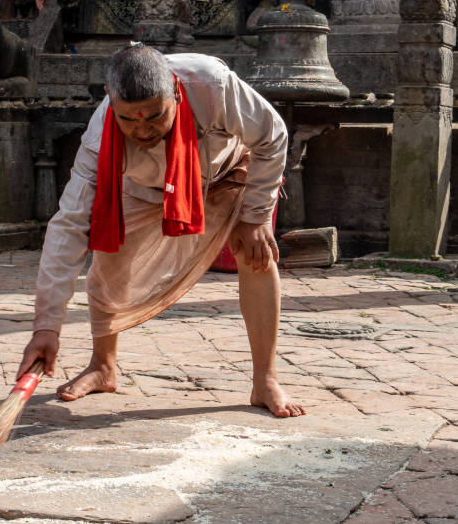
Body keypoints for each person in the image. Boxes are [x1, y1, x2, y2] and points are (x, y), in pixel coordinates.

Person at [17, 44, 305, 418]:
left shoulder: (211, 84)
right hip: (143, 188)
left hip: (226, 170)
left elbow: (272, 135)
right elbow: (69, 225)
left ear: (175, 90)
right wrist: (46, 329)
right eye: (129, 120)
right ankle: (103, 367)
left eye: (155, 116)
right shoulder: (97, 137)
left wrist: (256, 216)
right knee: (107, 263)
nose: (143, 130)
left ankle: (264, 380)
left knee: (256, 253)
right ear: (110, 100)